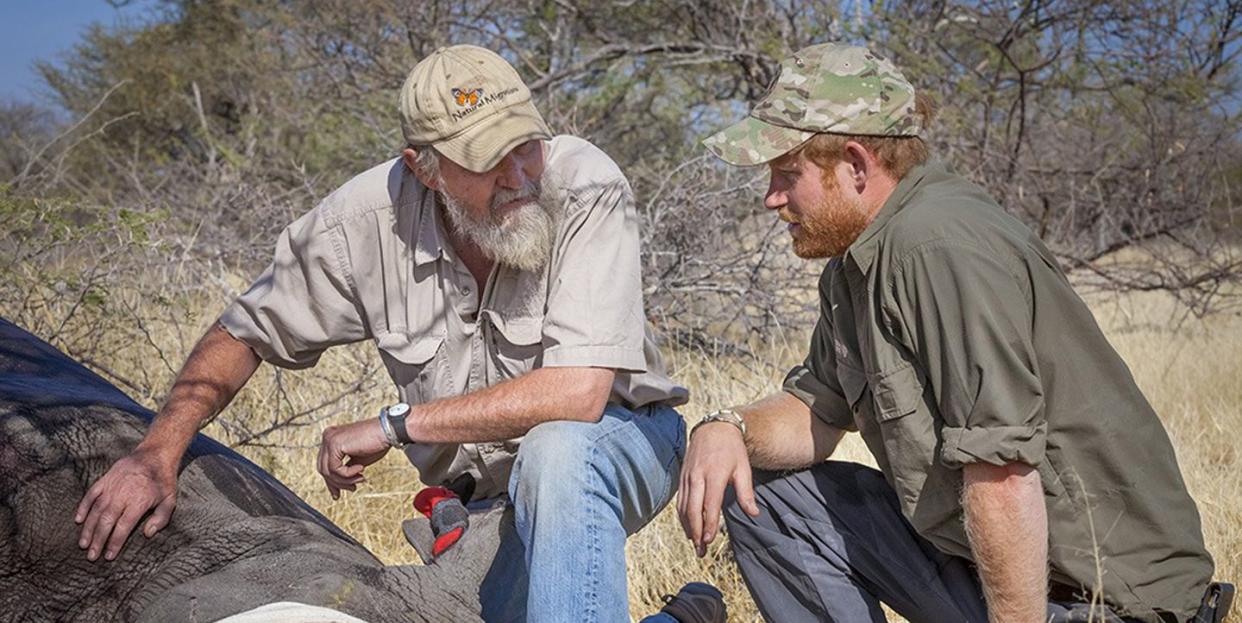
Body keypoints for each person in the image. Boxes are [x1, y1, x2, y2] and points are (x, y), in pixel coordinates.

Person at [75, 44, 693, 623]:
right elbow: (244, 331)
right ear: (424, 169)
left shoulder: (586, 183)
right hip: (484, 502)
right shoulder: (358, 222)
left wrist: (393, 426)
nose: (518, 174)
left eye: (526, 145)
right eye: (486, 160)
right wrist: (157, 450)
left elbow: (576, 396)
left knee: (558, 452)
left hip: (621, 444)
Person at [678, 42, 1226, 623]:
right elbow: (817, 407)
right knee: (769, 496)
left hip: (1095, 602)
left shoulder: (935, 247)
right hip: (984, 567)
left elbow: (1002, 471)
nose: (772, 198)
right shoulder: (857, 260)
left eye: (788, 174)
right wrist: (726, 428)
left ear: (857, 165)